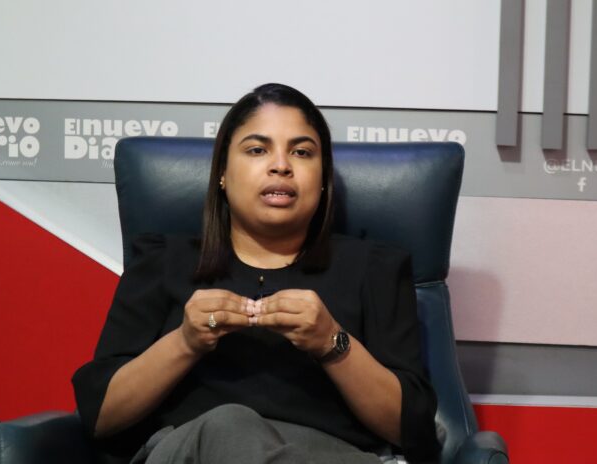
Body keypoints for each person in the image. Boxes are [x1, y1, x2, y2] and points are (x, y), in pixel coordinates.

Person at [72, 83, 440, 464]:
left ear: (323, 179)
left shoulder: (374, 269)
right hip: (192, 449)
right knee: (228, 428)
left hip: (328, 455)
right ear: (222, 173)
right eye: (257, 150)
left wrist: (331, 342)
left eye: (301, 152)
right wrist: (185, 342)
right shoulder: (163, 261)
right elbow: (101, 416)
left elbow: (412, 430)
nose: (281, 165)